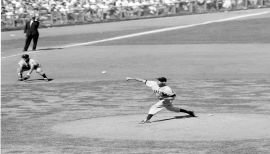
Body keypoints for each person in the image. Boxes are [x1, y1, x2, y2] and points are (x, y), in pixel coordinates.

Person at [126, 77, 195, 124]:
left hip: (167, 100)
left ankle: (147, 120)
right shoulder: (153, 83)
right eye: (157, 80)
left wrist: (165, 99)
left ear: (164, 82)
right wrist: (131, 78)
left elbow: (173, 97)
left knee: (154, 107)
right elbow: (142, 80)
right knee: (172, 109)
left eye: (159, 81)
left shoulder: (167, 89)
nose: (157, 82)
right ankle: (189, 112)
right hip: (165, 100)